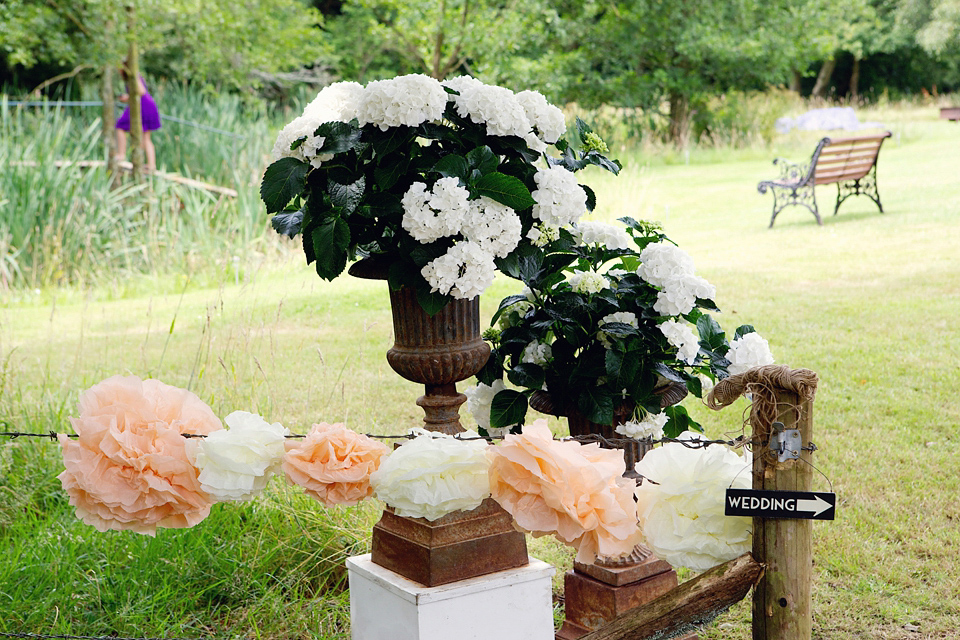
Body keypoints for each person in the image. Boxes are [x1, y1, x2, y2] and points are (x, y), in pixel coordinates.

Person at [115, 68, 161, 172]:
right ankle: (151, 165)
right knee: (146, 137)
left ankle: (121, 155)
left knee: (120, 126)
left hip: (143, 106)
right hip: (142, 104)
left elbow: (141, 91)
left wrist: (128, 97)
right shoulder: (131, 77)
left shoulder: (133, 75)